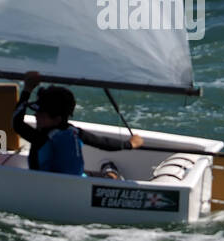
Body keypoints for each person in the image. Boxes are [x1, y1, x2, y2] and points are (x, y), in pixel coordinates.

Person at [12, 71, 143, 177]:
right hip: (78, 181)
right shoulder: (73, 131)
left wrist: (27, 89)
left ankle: (110, 173)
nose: (35, 116)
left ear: (57, 119)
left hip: (49, 186)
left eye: (41, 114)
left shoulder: (41, 139)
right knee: (91, 175)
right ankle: (110, 173)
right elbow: (102, 142)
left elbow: (16, 122)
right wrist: (130, 144)